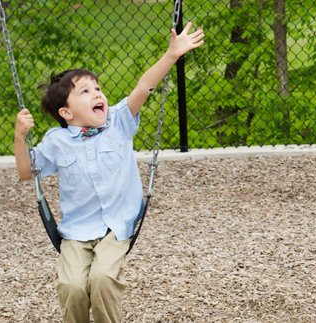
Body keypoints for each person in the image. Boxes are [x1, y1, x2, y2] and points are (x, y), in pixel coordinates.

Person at [13, 23, 204, 323]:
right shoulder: (56, 141)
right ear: (66, 112)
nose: (97, 94)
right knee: (73, 286)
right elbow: (27, 172)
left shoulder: (118, 121)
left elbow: (143, 87)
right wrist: (19, 137)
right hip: (77, 231)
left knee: (102, 279)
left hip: (117, 224)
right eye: (85, 91)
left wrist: (171, 55)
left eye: (98, 88)